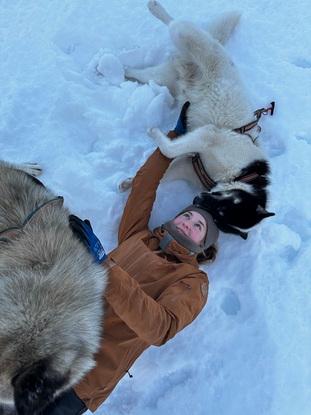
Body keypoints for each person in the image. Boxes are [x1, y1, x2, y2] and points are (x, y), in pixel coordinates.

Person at [42, 103, 219, 415]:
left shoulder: (191, 281)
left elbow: (160, 328)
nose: (188, 223)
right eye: (187, 216)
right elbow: (144, 186)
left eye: (197, 227)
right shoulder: (139, 236)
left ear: (202, 246)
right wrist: (174, 140)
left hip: (82, 377)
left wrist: (105, 269)